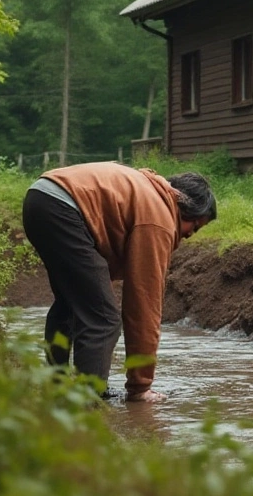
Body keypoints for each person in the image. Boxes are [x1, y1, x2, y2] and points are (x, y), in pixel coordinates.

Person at [22, 162, 216, 402]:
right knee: (103, 319)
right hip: (63, 207)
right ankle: (88, 401)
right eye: (194, 227)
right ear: (185, 206)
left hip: (39, 198)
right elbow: (144, 306)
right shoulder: (159, 218)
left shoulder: (147, 192)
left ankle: (55, 385)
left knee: (71, 305)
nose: (188, 235)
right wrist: (140, 387)